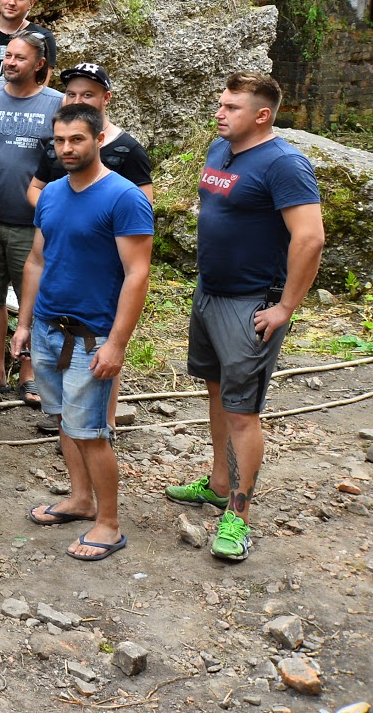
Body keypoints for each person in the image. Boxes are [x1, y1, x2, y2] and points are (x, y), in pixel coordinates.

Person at [165, 73, 323, 562]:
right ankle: (218, 485)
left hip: (251, 303)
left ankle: (239, 516)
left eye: (231, 107)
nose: (220, 113)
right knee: (216, 390)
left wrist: (285, 307)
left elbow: (310, 237)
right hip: (209, 293)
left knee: (242, 410)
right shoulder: (221, 150)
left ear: (262, 115)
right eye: (220, 104)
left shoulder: (285, 164)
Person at [12, 105, 153, 561]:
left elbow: (137, 275)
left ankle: (109, 524)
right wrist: (24, 324)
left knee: (91, 432)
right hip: (49, 328)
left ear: (98, 140)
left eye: (77, 139)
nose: (67, 148)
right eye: (60, 141)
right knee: (63, 420)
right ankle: (80, 499)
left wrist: (117, 344)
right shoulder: (51, 194)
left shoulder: (124, 197)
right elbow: (37, 261)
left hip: (93, 336)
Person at [0, 31, 63, 405]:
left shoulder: (57, 104)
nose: (10, 62)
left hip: (33, 223)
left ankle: (29, 373)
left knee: (30, 300)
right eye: (8, 55)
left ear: (39, 64)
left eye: (20, 58)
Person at [27, 63, 153, 205]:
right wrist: (53, 211)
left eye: (87, 95)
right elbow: (36, 187)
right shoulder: (56, 145)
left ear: (106, 98)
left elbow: (144, 203)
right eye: (71, 94)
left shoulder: (128, 149)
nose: (77, 101)